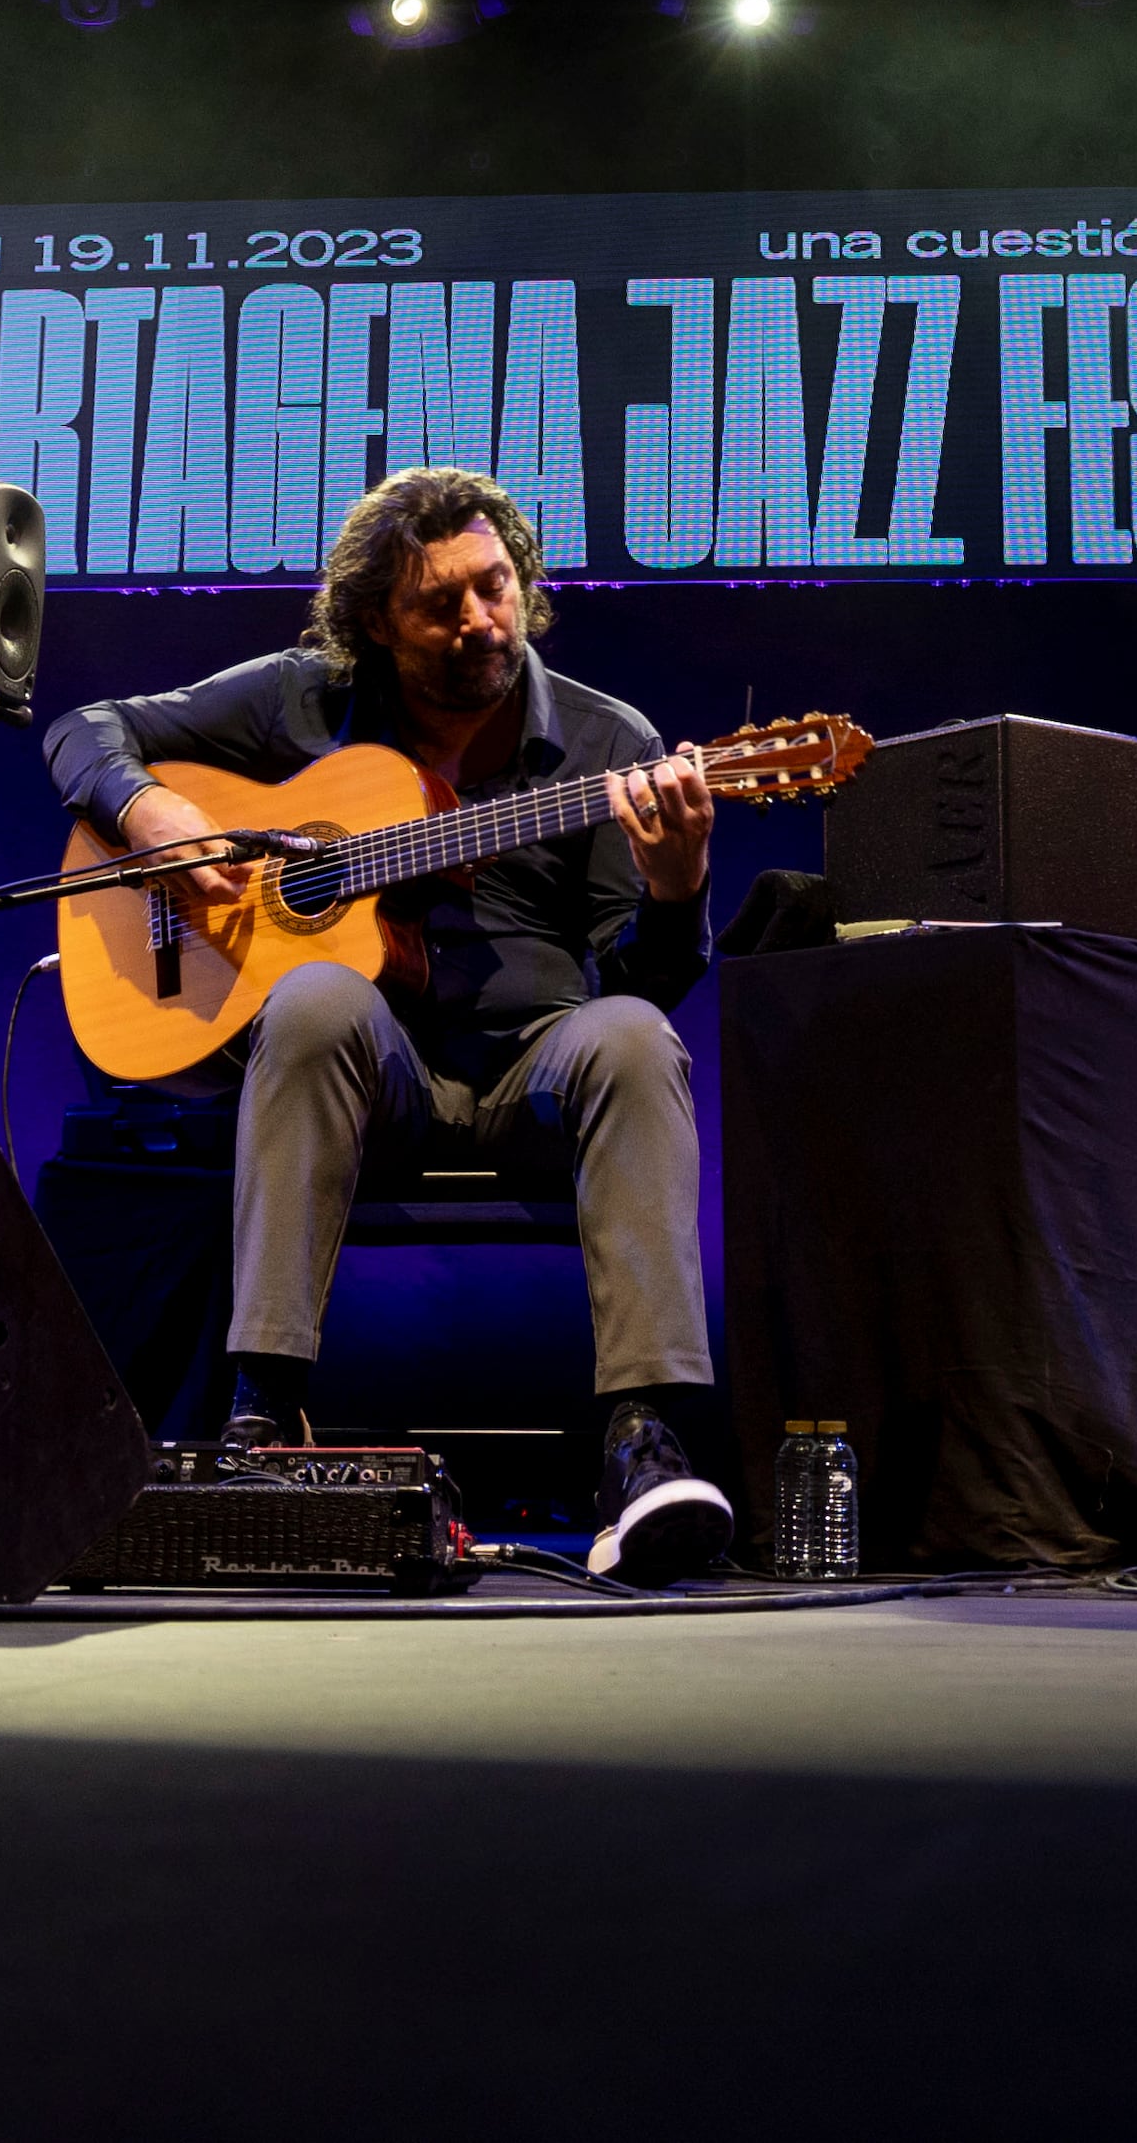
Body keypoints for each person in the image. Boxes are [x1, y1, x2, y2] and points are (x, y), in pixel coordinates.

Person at [45, 467, 738, 1582]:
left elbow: (641, 981)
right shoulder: (304, 699)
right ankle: (262, 1417)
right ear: (376, 620)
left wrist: (675, 888)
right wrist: (156, 814)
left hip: (533, 1075)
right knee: (316, 995)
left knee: (629, 1036)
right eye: (441, 604)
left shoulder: (610, 744)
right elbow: (87, 729)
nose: (479, 621)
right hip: (373, 1086)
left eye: (495, 588)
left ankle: (641, 1449)